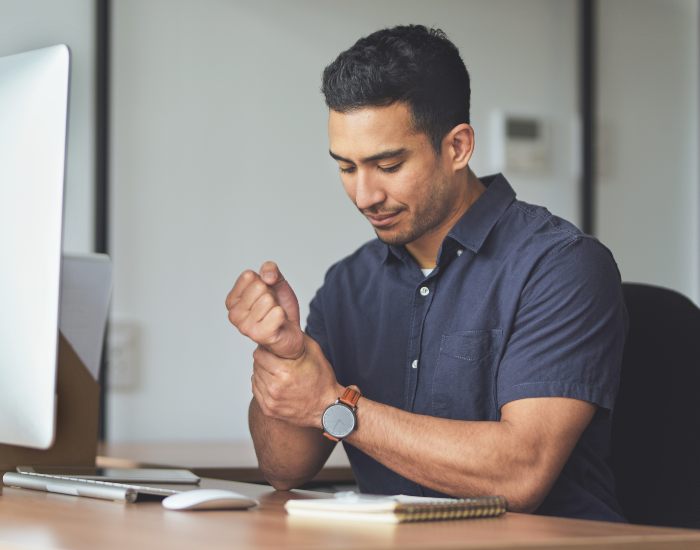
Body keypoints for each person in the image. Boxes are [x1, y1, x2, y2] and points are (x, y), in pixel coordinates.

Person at [225, 25, 627, 522]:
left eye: (388, 165)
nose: (364, 195)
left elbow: (519, 474)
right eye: (347, 168)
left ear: (457, 147)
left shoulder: (560, 266)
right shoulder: (347, 285)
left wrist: (335, 407)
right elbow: (285, 469)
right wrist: (286, 358)